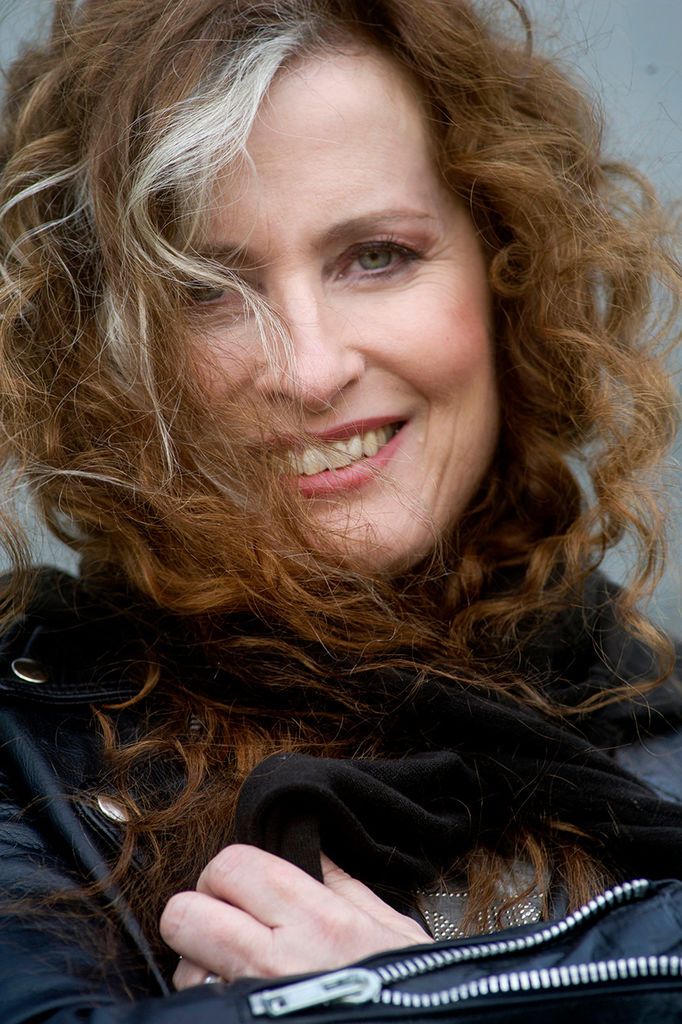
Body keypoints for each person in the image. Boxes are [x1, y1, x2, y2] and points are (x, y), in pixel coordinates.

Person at [0, 0, 679, 1020]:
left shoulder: (658, 718)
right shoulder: (23, 768)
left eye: (377, 255)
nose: (311, 370)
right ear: (100, 352)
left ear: (508, 270)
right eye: (206, 288)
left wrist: (419, 998)